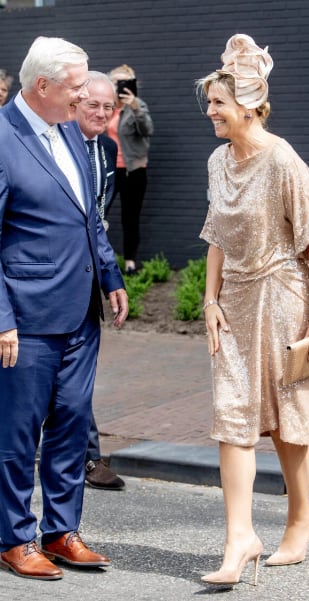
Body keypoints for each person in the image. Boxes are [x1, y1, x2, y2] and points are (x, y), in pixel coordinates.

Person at [197, 34, 309, 586]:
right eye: (208, 102)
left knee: (285, 420)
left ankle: (302, 517)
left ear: (248, 106)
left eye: (217, 104)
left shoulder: (284, 160)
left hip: (284, 297)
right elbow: (216, 234)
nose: (210, 112)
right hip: (234, 302)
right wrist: (210, 297)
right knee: (233, 415)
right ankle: (239, 539)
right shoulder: (217, 160)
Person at [0, 36, 128, 581]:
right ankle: (12, 536)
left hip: (80, 314)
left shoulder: (72, 133)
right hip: (25, 318)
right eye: (77, 89)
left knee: (72, 425)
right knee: (16, 432)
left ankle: (60, 530)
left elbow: (88, 217)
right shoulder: (3, 137)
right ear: (42, 86)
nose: (85, 99)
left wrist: (110, 274)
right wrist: (1, 318)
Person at [76, 70, 125, 490]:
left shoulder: (108, 147)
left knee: (74, 373)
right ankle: (88, 456)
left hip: (89, 270)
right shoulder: (54, 145)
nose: (102, 113)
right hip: (46, 276)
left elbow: (97, 217)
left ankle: (88, 458)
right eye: (93, 104)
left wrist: (111, 275)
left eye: (109, 107)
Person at [107, 64, 154, 275]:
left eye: (125, 82)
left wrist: (134, 106)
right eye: (116, 82)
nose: (120, 85)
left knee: (130, 218)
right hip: (107, 170)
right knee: (98, 215)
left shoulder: (138, 106)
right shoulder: (104, 106)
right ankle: (95, 259)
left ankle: (130, 262)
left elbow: (147, 130)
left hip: (133, 170)